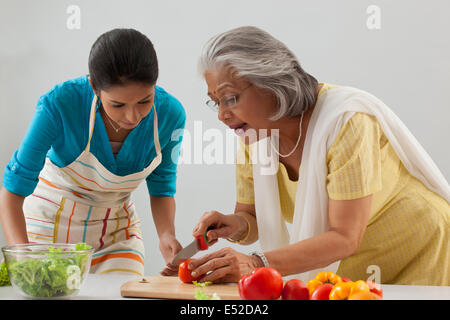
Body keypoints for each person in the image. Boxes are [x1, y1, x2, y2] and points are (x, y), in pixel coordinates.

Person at [189, 26, 450, 285]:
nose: (222, 115)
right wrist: (234, 225)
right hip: (343, 262)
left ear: (270, 83)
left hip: (418, 246)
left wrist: (257, 264)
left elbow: (345, 237)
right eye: (216, 101)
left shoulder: (346, 122)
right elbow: (252, 218)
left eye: (231, 98)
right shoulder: (253, 136)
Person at [0, 28, 186, 276]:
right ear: (94, 87)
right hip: (48, 227)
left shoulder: (170, 115)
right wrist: (23, 257)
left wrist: (166, 235)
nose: (133, 116)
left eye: (144, 100)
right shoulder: (59, 105)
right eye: (118, 105)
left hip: (115, 235)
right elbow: (13, 191)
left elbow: (162, 186)